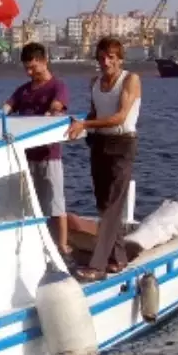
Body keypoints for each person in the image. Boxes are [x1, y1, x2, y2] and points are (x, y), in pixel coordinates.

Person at [67, 37, 142, 281]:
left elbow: (120, 117)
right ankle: (118, 258)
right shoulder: (95, 82)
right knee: (103, 204)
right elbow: (95, 113)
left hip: (122, 144)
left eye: (111, 57)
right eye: (101, 57)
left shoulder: (130, 80)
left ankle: (97, 266)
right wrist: (73, 121)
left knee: (112, 206)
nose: (105, 62)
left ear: (120, 59)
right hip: (99, 144)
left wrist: (85, 123)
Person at [1, 41, 71, 255]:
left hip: (49, 155)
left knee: (56, 203)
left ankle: (62, 245)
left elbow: (57, 106)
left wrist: (52, 112)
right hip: (26, 156)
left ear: (44, 62)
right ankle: (34, 243)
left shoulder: (58, 87)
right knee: (29, 203)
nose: (30, 72)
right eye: (27, 68)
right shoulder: (22, 91)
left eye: (33, 67)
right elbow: (6, 108)